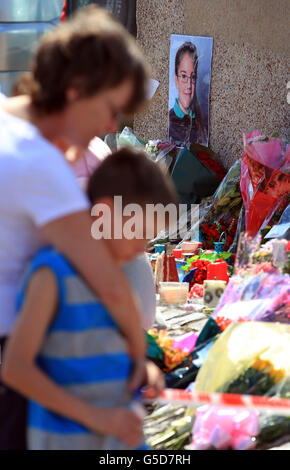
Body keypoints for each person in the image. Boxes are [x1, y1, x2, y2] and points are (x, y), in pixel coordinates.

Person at [0, 6, 152, 450]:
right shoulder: (39, 164)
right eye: (110, 108)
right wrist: (141, 360)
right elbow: (112, 287)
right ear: (78, 88)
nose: (111, 125)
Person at [2, 148, 177, 450]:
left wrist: (143, 370)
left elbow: (118, 352)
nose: (143, 246)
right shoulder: (53, 276)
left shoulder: (122, 278)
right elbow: (16, 370)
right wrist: (98, 418)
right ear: (104, 213)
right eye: (140, 232)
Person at [168, 41, 208, 148]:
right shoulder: (169, 120)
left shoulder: (202, 122)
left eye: (193, 77)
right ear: (176, 80)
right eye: (184, 76)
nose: (189, 85)